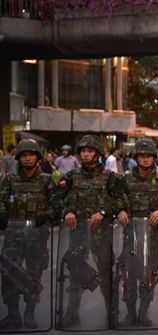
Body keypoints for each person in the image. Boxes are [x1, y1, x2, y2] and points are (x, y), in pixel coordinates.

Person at [53, 135, 121, 328]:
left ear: (98, 154)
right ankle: (71, 314)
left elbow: (121, 200)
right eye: (83, 151)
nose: (86, 154)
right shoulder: (72, 176)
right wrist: (66, 211)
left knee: (107, 275)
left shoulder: (109, 177)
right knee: (76, 276)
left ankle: (111, 314)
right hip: (78, 235)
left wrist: (103, 212)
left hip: (102, 235)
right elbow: (55, 197)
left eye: (90, 151)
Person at [0, 139, 61, 330]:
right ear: (19, 158)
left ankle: (30, 313)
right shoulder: (10, 180)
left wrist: (46, 215)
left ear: (37, 157)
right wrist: (1, 212)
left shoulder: (47, 180)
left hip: (37, 238)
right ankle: (13, 314)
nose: (28, 158)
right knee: (9, 275)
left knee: (33, 277)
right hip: (13, 237)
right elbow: (0, 199)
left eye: (31, 155)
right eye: (24, 155)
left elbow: (57, 205)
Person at [116, 137, 158, 327]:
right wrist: (121, 210)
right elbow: (116, 200)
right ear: (136, 157)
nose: (145, 160)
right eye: (141, 156)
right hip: (130, 237)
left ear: (154, 159)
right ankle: (130, 313)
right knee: (129, 275)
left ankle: (144, 312)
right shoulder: (125, 180)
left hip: (153, 236)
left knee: (149, 274)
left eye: (149, 156)